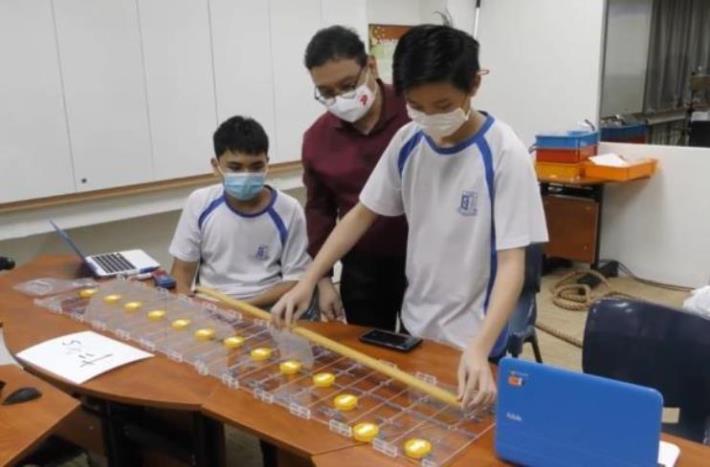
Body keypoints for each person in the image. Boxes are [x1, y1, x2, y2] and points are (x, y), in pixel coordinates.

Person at [273, 25, 548, 410]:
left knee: (471, 439)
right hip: (418, 324)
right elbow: (360, 215)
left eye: (443, 106)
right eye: (417, 106)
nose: (430, 118)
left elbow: (512, 263)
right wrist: (309, 280)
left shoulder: (504, 153)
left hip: (476, 335)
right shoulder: (408, 142)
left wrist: (480, 347)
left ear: (473, 85)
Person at [302, 25, 409, 329]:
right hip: (363, 265)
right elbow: (318, 213)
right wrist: (322, 280)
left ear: (371, 67)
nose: (340, 98)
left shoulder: (412, 111)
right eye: (326, 92)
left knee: (425, 356)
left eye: (348, 85)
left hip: (424, 260)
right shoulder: (317, 139)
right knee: (371, 353)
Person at [169, 115, 310, 308]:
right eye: (235, 168)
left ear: (267, 163)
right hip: (211, 306)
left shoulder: (289, 209)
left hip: (268, 308)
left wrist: (242, 310)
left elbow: (294, 280)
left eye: (256, 167)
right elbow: (182, 274)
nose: (246, 175)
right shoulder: (200, 202)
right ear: (216, 165)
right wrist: (189, 307)